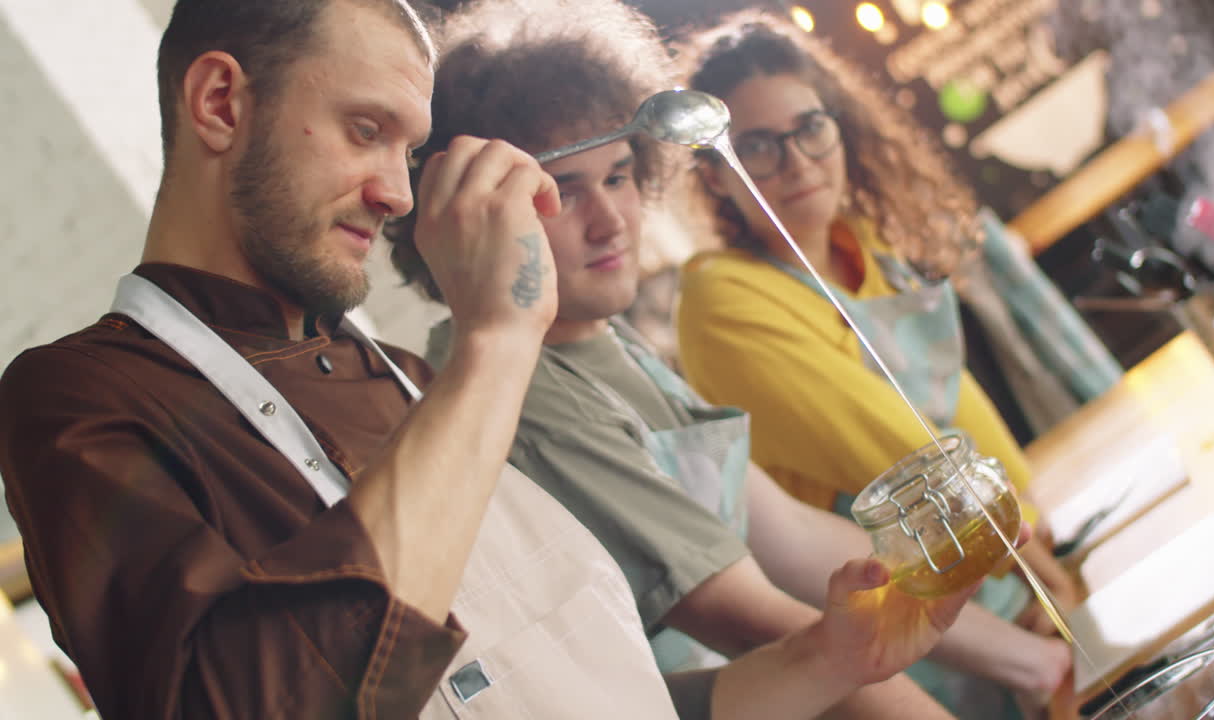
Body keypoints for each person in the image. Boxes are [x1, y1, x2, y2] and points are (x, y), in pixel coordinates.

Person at [0, 1, 979, 718]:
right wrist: (498, 343)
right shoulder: (75, 400)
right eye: (365, 130)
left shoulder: (408, 380)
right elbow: (273, 701)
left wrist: (828, 658)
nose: (397, 193)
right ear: (220, 103)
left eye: (408, 152)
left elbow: (587, 696)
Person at [387, 2, 1059, 718]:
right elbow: (750, 618)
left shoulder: (600, 337)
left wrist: (1037, 660)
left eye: (618, 177)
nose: (611, 222)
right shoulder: (520, 388)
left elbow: (788, 535)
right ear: (468, 214)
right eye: (563, 193)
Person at [672, 11, 1084, 718]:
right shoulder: (720, 299)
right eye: (758, 147)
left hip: (1017, 576)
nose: (798, 162)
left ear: (839, 125)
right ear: (715, 175)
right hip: (928, 651)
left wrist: (1040, 539)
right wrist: (1031, 563)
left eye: (810, 128)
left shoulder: (865, 248)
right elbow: (897, 449)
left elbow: (958, 407)